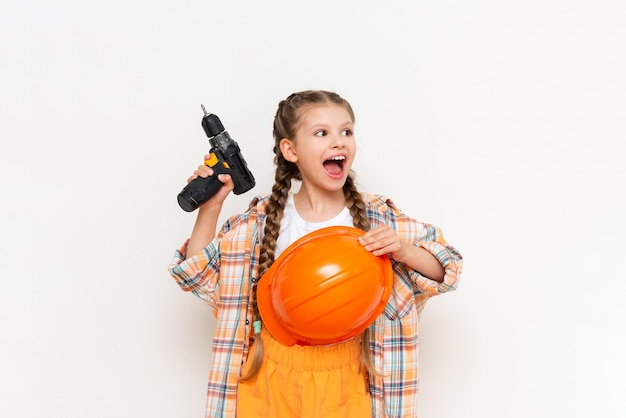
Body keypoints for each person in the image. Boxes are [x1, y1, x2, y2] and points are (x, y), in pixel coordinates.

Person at [168, 90, 463, 417]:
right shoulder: (261, 222)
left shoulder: (379, 218)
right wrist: (210, 208)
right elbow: (200, 277)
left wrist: (404, 250)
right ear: (290, 149)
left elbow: (446, 271)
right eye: (322, 133)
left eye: (346, 132)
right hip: (267, 376)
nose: (338, 142)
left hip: (346, 381)